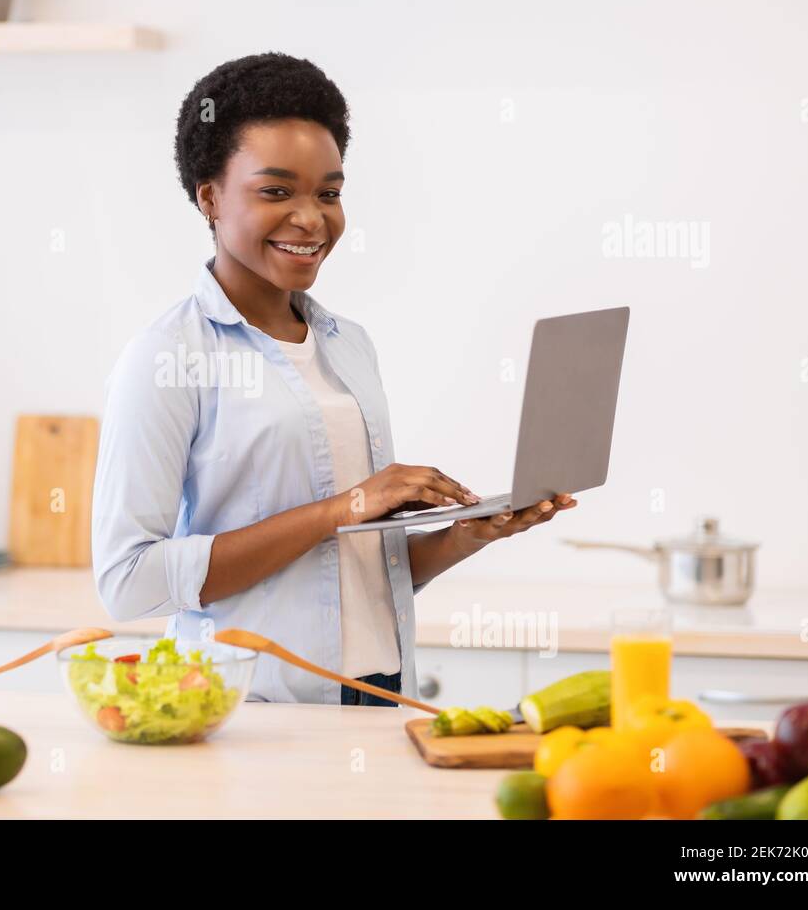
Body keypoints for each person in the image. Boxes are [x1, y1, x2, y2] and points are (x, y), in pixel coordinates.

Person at [91, 52, 575, 705]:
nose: (312, 218)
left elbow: (358, 565)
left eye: (328, 192)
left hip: (379, 694)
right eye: (276, 190)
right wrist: (339, 508)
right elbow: (128, 579)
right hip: (254, 711)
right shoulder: (165, 358)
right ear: (209, 196)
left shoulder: (350, 346)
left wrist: (467, 534)